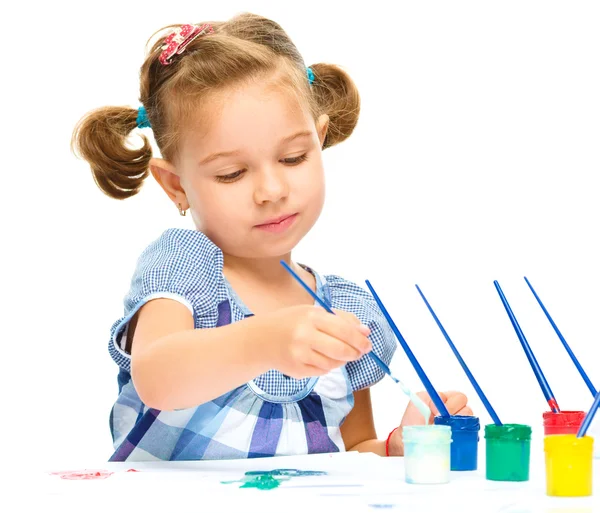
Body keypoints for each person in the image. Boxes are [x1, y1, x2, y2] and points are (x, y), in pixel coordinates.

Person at [72, 13, 472, 461]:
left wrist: (401, 447)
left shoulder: (344, 310)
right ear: (176, 185)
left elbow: (354, 448)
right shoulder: (185, 268)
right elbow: (158, 377)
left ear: (319, 141)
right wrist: (267, 341)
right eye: (232, 173)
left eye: (293, 158)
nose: (271, 191)